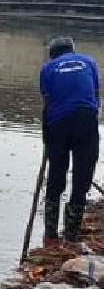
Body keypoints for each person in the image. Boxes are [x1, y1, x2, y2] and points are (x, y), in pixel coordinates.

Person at [41, 37, 100, 245]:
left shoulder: (48, 69)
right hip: (86, 120)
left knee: (56, 175)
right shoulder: (89, 62)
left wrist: (46, 137)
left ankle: (49, 235)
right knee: (82, 176)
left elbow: (48, 104)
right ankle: (71, 235)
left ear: (53, 54)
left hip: (59, 123)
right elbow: (95, 95)